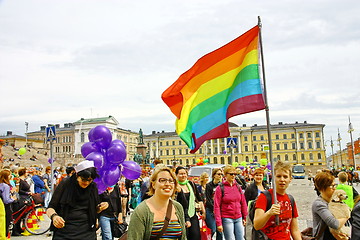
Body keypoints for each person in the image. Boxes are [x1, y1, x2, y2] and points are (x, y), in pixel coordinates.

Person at [46, 160, 109, 240]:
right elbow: (50, 207)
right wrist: (54, 217)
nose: (86, 183)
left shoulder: (92, 187)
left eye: (89, 180)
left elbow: (94, 210)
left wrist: (101, 207)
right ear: (77, 175)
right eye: (83, 179)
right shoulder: (65, 184)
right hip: (65, 231)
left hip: (87, 231)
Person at [128, 166, 186, 239]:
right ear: (153, 184)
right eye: (162, 180)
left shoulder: (177, 207)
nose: (167, 184)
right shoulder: (142, 211)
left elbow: (183, 237)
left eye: (171, 181)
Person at [253, 160, 302, 240]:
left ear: (290, 179)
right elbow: (257, 225)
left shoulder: (290, 199)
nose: (282, 179)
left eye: (285, 177)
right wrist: (269, 213)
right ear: (273, 177)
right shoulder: (264, 197)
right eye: (279, 176)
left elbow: (295, 230)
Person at [312, 171, 349, 240]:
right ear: (323, 188)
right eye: (332, 186)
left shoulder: (336, 201)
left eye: (335, 185)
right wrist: (347, 216)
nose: (334, 188)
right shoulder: (319, 204)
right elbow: (335, 224)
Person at [214, 165, 247, 240]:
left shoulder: (238, 187)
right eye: (231, 174)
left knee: (241, 238)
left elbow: (243, 203)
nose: (233, 176)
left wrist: (245, 217)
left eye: (235, 174)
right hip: (227, 217)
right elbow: (216, 206)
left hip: (238, 217)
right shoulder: (220, 188)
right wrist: (219, 223)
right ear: (225, 175)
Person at [176, 166, 205, 240]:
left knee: (196, 235)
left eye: (185, 173)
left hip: (192, 214)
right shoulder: (175, 186)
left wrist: (203, 212)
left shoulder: (191, 184)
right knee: (185, 236)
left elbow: (199, 198)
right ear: (176, 175)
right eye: (181, 174)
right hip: (180, 216)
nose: (183, 175)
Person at [205, 168, 223, 240]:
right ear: (214, 175)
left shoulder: (222, 185)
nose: (220, 176)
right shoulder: (209, 185)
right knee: (212, 229)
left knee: (220, 230)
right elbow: (208, 199)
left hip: (220, 210)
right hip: (210, 209)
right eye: (218, 174)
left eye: (221, 174)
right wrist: (214, 209)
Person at [0, 169, 17, 237]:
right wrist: (13, 199)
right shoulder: (6, 186)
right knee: (5, 223)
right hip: (5, 207)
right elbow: (6, 200)